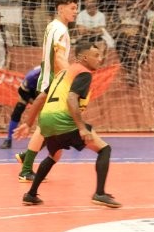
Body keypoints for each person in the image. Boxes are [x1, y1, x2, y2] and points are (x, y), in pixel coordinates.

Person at [16, 39, 120, 208]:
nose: (99, 59)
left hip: (46, 120)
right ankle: (100, 194)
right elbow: (72, 98)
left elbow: (40, 98)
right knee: (104, 149)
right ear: (84, 57)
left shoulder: (62, 74)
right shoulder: (84, 73)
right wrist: (81, 128)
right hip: (62, 119)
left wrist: (28, 123)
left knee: (54, 155)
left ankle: (31, 194)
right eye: (95, 55)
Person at [17, 0, 78, 182]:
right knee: (46, 127)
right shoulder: (60, 29)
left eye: (76, 8)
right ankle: (26, 169)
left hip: (49, 80)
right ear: (60, 8)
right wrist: (72, 76)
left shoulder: (52, 26)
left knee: (52, 127)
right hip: (54, 83)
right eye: (72, 8)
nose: (76, 12)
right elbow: (58, 57)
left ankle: (26, 157)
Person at [2, 66, 42, 149]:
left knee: (48, 114)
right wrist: (33, 102)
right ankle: (8, 139)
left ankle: (47, 139)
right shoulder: (31, 76)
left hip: (44, 93)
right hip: (29, 92)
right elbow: (21, 91)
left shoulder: (54, 77)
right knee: (18, 110)